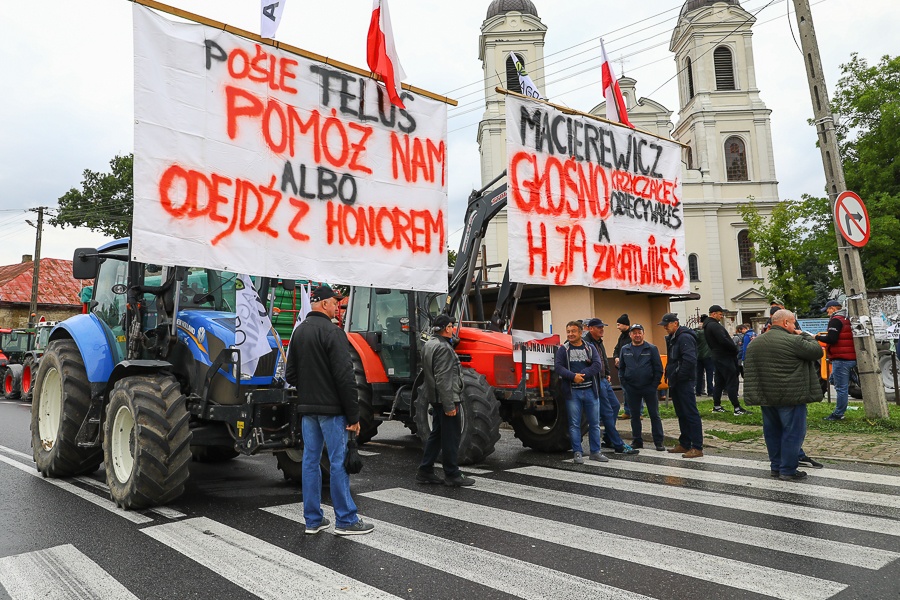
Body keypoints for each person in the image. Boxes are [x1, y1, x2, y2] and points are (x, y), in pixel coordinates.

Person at [286, 285, 374, 536]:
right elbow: (345, 378)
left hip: (307, 409)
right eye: (335, 303)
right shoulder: (333, 333)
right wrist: (354, 416)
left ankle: (313, 520)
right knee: (337, 462)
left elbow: (291, 374)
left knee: (310, 462)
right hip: (333, 411)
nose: (338, 307)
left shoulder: (299, 333)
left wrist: (310, 388)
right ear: (324, 304)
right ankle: (346, 519)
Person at [744, 309, 824, 480]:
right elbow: (817, 351)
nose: (795, 325)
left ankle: (776, 467)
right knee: (793, 432)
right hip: (791, 395)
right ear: (785, 323)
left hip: (766, 396)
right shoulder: (793, 340)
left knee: (772, 432)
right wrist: (806, 335)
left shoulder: (755, 343)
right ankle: (788, 470)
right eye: (793, 322)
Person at [417, 314, 475, 486]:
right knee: (451, 436)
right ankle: (452, 474)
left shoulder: (429, 344)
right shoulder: (443, 348)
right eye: (450, 326)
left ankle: (425, 470)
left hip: (435, 399)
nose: (452, 329)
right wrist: (449, 405)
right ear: (446, 328)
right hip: (446, 400)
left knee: (437, 435)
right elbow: (444, 379)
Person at [583, 318, 640, 455]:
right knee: (607, 412)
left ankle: (608, 437)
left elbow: (602, 357)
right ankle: (618, 444)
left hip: (603, 379)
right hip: (595, 380)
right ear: (590, 328)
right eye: (599, 327)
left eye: (602, 327)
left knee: (615, 406)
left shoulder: (598, 341)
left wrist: (608, 372)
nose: (602, 329)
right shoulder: (586, 342)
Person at [555, 321, 604, 464]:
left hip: (590, 391)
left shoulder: (590, 347)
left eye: (573, 331)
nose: (570, 334)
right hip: (572, 394)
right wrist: (572, 376)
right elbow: (558, 367)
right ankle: (577, 452)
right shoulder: (563, 349)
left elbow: (597, 365)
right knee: (574, 424)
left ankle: (596, 452)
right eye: (568, 331)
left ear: (581, 332)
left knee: (594, 424)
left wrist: (581, 375)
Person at [659, 314, 704, 458]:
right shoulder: (674, 337)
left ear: (676, 323)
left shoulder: (684, 337)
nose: (665, 327)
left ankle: (697, 446)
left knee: (690, 413)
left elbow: (689, 360)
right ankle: (685, 443)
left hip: (684, 381)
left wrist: (679, 376)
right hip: (676, 381)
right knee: (682, 413)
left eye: (667, 324)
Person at [618, 324, 665, 451]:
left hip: (649, 387)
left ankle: (659, 441)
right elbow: (621, 369)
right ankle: (637, 441)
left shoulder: (651, 348)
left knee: (654, 415)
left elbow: (658, 369)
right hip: (631, 388)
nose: (637, 335)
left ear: (643, 334)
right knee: (634, 416)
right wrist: (625, 384)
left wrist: (654, 385)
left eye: (639, 332)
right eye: (634, 333)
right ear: (630, 335)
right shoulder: (625, 349)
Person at [704, 305, 751, 415]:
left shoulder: (708, 326)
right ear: (713, 314)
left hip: (717, 356)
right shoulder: (714, 326)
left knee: (719, 382)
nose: (721, 316)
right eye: (720, 314)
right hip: (724, 356)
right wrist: (734, 349)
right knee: (732, 381)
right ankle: (737, 408)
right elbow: (724, 340)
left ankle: (717, 405)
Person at [815, 299, 857, 421]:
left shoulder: (835, 320)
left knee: (841, 388)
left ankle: (838, 414)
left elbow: (832, 339)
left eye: (827, 310)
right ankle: (850, 378)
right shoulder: (846, 318)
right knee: (833, 379)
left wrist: (817, 337)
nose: (827, 313)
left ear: (833, 309)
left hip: (841, 358)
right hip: (849, 357)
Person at [613, 314, 644, 419]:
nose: (617, 327)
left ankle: (639, 412)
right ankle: (628, 411)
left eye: (619, 324)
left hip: (633, 367)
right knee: (626, 390)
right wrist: (616, 357)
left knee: (636, 390)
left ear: (625, 325)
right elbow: (617, 349)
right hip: (623, 367)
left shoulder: (631, 337)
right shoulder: (621, 336)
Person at [695, 315, 715, 397]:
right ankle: (710, 391)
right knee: (709, 374)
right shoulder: (708, 331)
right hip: (708, 355)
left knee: (699, 375)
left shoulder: (696, 332)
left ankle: (698, 391)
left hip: (698, 356)